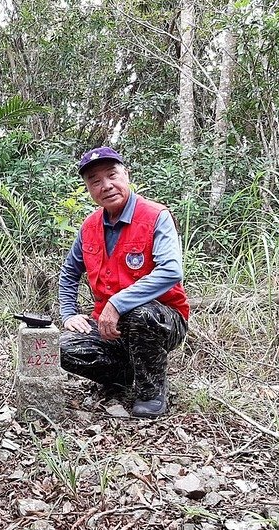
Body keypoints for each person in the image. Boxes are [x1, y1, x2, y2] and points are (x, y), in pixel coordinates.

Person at [58, 146, 189, 418]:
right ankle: (126, 374)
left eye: (112, 175)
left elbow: (171, 271)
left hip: (162, 319)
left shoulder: (155, 216)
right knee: (62, 348)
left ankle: (151, 392)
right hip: (109, 327)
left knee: (140, 315)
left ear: (126, 174)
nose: (106, 185)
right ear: (89, 189)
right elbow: (69, 272)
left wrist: (117, 304)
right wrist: (69, 313)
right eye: (95, 181)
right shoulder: (89, 226)